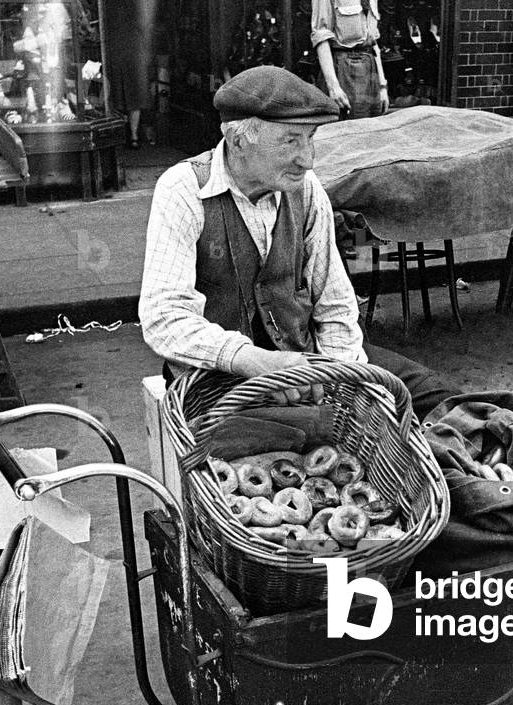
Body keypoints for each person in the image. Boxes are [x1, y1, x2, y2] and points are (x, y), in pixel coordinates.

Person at [138, 65, 458, 418]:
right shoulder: (183, 190)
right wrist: (254, 360)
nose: (307, 159)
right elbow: (164, 317)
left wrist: (342, 377)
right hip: (220, 379)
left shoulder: (305, 189)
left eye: (310, 138)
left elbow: (334, 302)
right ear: (239, 140)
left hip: (305, 355)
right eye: (291, 140)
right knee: (299, 436)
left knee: (440, 397)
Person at [311, 0, 389, 120]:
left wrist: (382, 86)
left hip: (370, 69)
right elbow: (321, 36)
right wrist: (333, 87)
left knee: (373, 130)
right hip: (344, 68)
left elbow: (373, 42)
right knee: (348, 130)